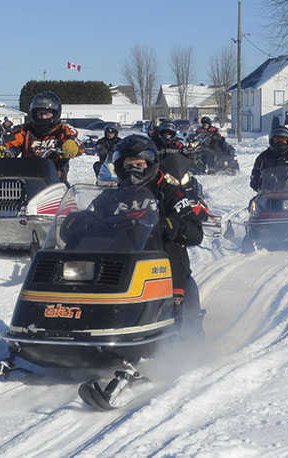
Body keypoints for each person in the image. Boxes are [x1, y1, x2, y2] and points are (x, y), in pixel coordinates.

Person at [65, 134, 205, 336]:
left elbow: (195, 231)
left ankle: (176, 320)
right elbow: (93, 215)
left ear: (150, 165)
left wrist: (168, 225)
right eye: (129, 164)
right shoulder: (111, 196)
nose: (134, 169)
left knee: (172, 248)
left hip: (158, 258)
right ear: (120, 167)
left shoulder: (169, 192)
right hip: (118, 260)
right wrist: (77, 222)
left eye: (139, 164)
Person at [0, 91, 79, 183]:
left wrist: (72, 144)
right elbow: (13, 143)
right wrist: (3, 151)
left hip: (56, 183)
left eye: (47, 114)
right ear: (34, 114)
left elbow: (75, 140)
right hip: (28, 181)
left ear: (55, 113)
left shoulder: (63, 129)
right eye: (40, 114)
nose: (43, 117)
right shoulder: (25, 130)